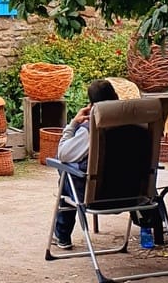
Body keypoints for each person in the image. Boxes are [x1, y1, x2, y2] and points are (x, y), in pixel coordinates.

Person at [52, 78, 119, 249]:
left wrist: (74, 123)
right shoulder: (139, 124)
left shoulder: (91, 129)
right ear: (117, 97)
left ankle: (62, 235)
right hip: (136, 195)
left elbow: (63, 154)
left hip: (96, 197)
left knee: (65, 172)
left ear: (91, 105)